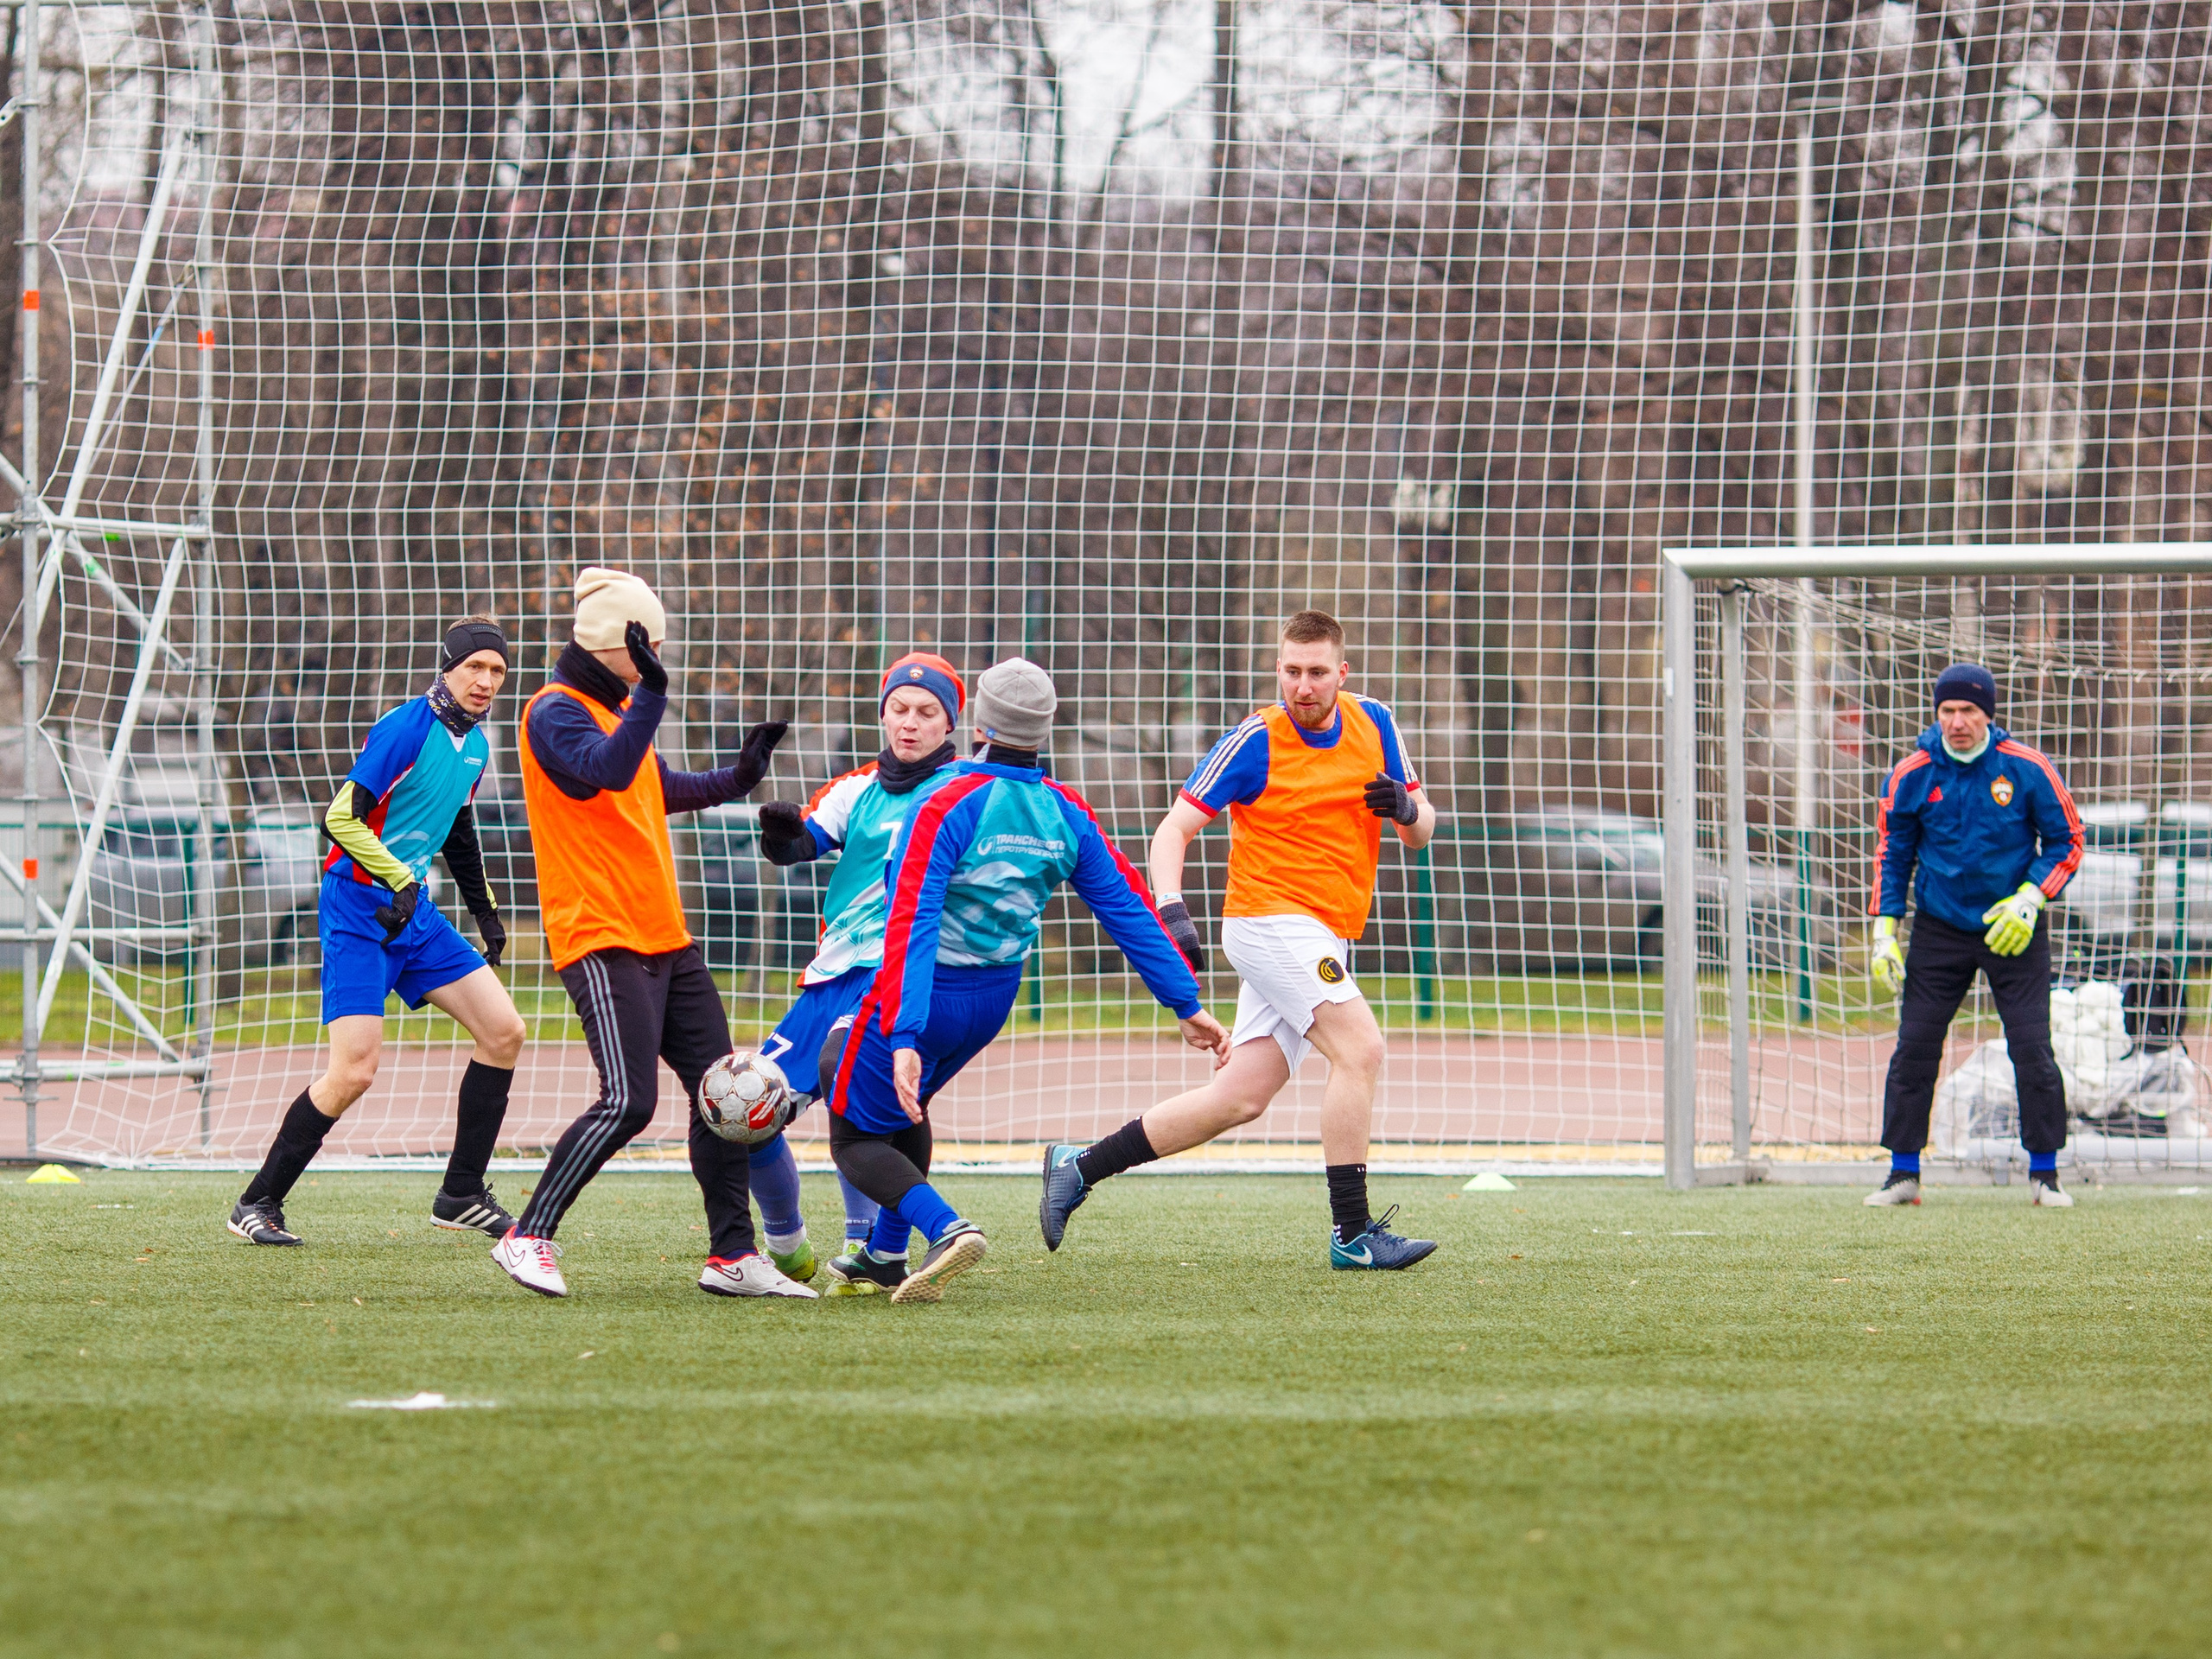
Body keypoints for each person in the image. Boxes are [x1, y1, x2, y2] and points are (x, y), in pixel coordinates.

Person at [1039, 609, 1440, 1270]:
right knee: (1361, 1050)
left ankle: (1078, 1167)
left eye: (1316, 673)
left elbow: (1422, 830)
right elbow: (1173, 830)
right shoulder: (1254, 739)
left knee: (1240, 1098)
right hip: (1269, 921)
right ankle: (1353, 1233)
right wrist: (1172, 910)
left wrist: (1404, 808)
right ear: (1278, 669)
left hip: (1326, 935)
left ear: (1342, 672)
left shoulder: (1377, 722)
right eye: (1290, 671)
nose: (1302, 686)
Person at [823, 658, 1229, 1304]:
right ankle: (885, 1254)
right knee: (906, 1107)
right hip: (993, 1000)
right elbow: (1126, 906)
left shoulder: (944, 799)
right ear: (1044, 729)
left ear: (976, 721)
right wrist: (1185, 1002)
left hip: (931, 991)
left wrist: (903, 1028)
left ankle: (947, 1230)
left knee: (851, 1127)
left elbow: (912, 920)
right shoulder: (1063, 810)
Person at [490, 568, 797, 1298]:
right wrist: (653, 697)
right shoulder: (553, 713)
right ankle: (526, 1235)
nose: (657, 658)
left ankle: (733, 1257)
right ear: (619, 645)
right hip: (599, 935)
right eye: (649, 647)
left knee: (723, 1099)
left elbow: (652, 786)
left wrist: (737, 778)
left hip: (664, 936)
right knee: (628, 1100)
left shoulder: (615, 710)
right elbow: (606, 771)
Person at [227, 619, 527, 1247]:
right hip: (358, 911)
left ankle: (461, 1194)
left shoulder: (475, 747)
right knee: (355, 1071)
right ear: (448, 668)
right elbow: (340, 817)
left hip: (410, 913)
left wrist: (487, 912)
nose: (486, 681)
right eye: (475, 667)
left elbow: (458, 832)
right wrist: (400, 881)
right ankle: (257, 1202)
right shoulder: (404, 727)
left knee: (504, 1032)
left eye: (497, 671)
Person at [744, 651, 966, 1293]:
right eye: (899, 709)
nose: (910, 722)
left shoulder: (965, 793)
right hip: (831, 974)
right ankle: (786, 1246)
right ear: (883, 714)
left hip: (896, 976)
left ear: (949, 725)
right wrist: (779, 835)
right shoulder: (857, 788)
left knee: (861, 1101)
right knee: (748, 1111)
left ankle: (866, 1246)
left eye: (927, 713)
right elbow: (801, 845)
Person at [1865, 662, 2085, 1207]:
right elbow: (1893, 855)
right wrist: (1884, 932)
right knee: (1914, 1047)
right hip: (1940, 928)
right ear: (1936, 713)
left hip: (2014, 929)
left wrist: (2031, 899)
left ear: (1988, 713)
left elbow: (2069, 841)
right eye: (1947, 711)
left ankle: (2045, 1175)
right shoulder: (1912, 772)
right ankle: (1902, 1174)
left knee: (2032, 1048)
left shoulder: (2027, 768)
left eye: (1968, 710)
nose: (1957, 721)